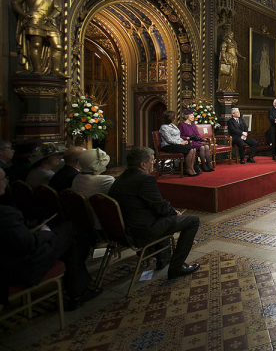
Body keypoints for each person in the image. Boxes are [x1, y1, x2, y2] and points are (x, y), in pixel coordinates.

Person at [0, 167, 102, 310]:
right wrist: (45, 233)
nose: (6, 181)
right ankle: (77, 292)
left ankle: (77, 291)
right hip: (19, 268)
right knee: (70, 230)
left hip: (13, 260)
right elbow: (29, 244)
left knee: (68, 238)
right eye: (3, 179)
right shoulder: (5, 214)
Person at [109, 147, 199, 279]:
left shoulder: (119, 179)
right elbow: (160, 206)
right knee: (192, 220)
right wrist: (174, 213)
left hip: (123, 231)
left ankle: (163, 256)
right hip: (142, 231)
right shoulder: (145, 180)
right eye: (152, 160)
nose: (154, 163)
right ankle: (177, 267)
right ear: (142, 164)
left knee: (166, 217)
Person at [11, 0, 65, 77]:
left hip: (49, 21)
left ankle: (56, 70)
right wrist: (24, 14)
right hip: (34, 19)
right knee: (36, 44)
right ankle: (37, 70)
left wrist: (51, 16)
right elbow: (15, 2)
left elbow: (58, 8)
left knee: (57, 46)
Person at [158, 111, 198, 176]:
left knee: (193, 149)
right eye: (174, 117)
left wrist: (183, 141)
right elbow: (169, 140)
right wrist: (180, 143)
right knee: (190, 150)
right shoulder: (164, 127)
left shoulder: (173, 125)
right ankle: (188, 169)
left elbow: (177, 136)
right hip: (168, 146)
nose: (175, 118)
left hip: (176, 144)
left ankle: (191, 168)